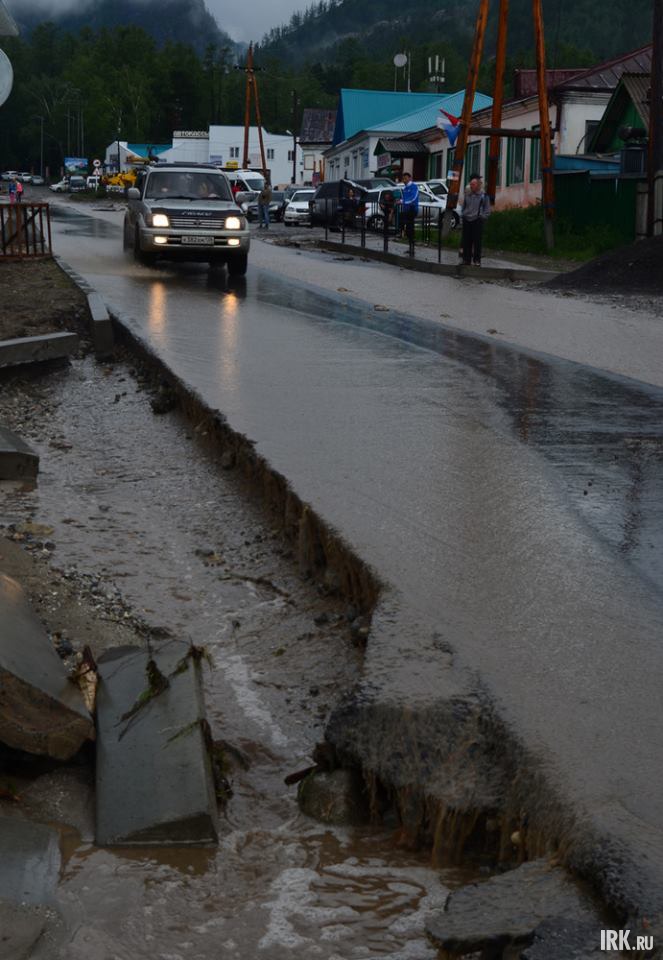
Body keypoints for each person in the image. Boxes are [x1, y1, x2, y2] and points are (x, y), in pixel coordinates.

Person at [461, 173, 491, 266]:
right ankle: (466, 259)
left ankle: (477, 260)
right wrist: (463, 214)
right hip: (467, 219)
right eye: (470, 184)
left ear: (478, 185)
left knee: (477, 241)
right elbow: (464, 206)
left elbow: (487, 209)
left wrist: (482, 217)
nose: (471, 186)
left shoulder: (483, 196)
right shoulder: (468, 194)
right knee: (466, 241)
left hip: (477, 220)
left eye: (473, 185)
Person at [399, 172, 419, 252]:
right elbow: (404, 199)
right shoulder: (405, 188)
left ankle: (412, 248)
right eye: (403, 178)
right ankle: (409, 244)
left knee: (410, 228)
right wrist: (400, 201)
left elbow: (413, 198)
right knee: (406, 227)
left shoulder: (414, 187)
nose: (404, 180)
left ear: (410, 178)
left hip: (412, 209)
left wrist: (403, 202)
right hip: (406, 210)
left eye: (406, 178)